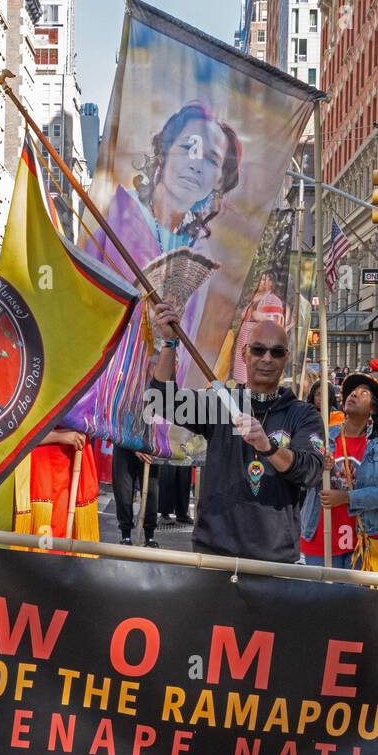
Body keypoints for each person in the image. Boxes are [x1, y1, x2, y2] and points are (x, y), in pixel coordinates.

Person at [69, 102, 243, 456]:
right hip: (97, 403)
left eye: (211, 159)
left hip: (154, 407)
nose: (196, 163)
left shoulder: (201, 254)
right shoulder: (112, 216)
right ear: (163, 151)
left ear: (218, 180)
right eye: (187, 147)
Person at [149, 299, 323, 562]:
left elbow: (311, 471)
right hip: (213, 551)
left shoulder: (302, 414)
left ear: (286, 358)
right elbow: (161, 400)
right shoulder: (221, 402)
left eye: (276, 352)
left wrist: (269, 447)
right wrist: (170, 343)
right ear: (244, 354)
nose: (267, 358)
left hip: (273, 557)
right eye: (258, 350)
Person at [300, 373, 378, 568]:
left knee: (357, 598)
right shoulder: (324, 435)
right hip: (320, 533)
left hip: (364, 538)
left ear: (373, 408)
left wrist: (347, 498)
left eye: (363, 393)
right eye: (353, 391)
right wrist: (317, 469)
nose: (354, 394)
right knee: (319, 596)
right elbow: (301, 475)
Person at [14, 427, 100, 543]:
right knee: (40, 539)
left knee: (60, 529)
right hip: (37, 469)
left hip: (67, 463)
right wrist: (60, 436)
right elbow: (17, 434)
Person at [232, 273, 287, 384]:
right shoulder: (254, 297)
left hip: (257, 341)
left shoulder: (273, 299)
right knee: (240, 374)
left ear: (271, 283)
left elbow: (278, 323)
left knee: (251, 371)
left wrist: (262, 317)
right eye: (260, 280)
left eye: (263, 280)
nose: (260, 282)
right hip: (244, 337)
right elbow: (244, 315)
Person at [112, 445, 159, 547]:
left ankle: (149, 536)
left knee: (151, 493)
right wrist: (134, 447)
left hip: (149, 447)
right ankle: (125, 535)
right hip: (124, 444)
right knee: (123, 492)